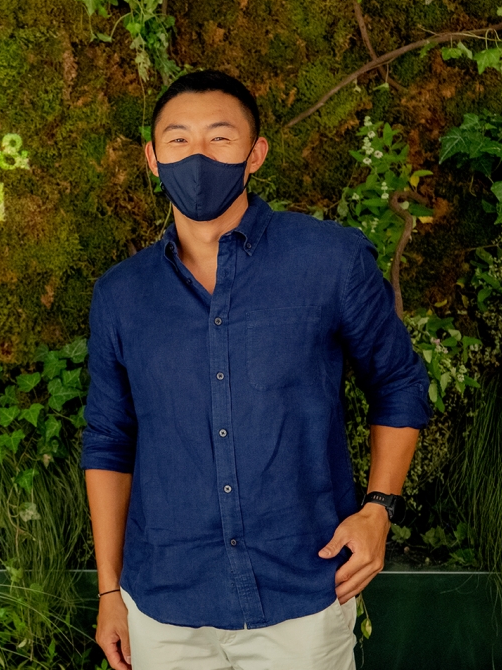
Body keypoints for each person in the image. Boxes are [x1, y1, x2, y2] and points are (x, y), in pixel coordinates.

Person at [82, 70, 429, 670]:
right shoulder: (121, 295)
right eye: (178, 141)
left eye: (219, 139)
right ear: (152, 158)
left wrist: (379, 509)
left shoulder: (329, 260)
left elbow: (399, 383)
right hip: (164, 604)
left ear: (255, 153)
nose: (197, 156)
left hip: (303, 594)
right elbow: (109, 443)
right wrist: (110, 592)